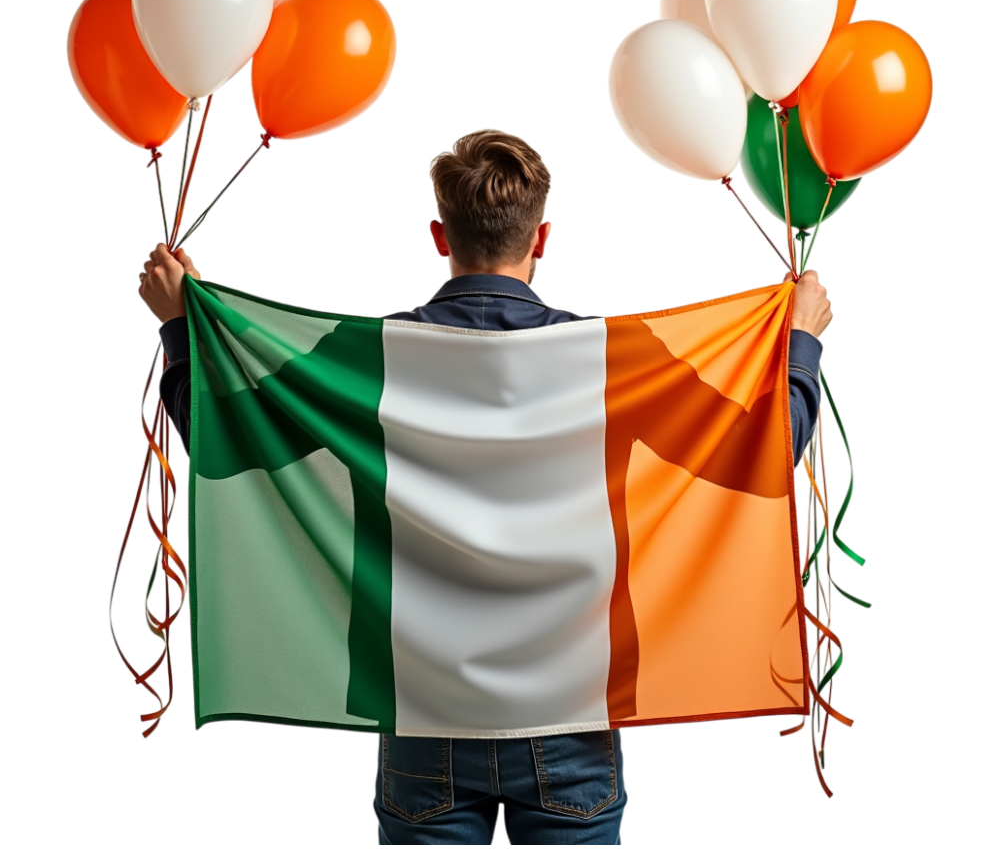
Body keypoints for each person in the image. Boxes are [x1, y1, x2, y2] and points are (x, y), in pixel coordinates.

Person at [137, 128, 833, 845]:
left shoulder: (368, 362)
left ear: (439, 236)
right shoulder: (615, 365)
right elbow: (767, 450)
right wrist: (802, 338)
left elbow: (221, 443)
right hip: (573, 729)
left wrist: (177, 328)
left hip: (422, 728)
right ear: (543, 238)